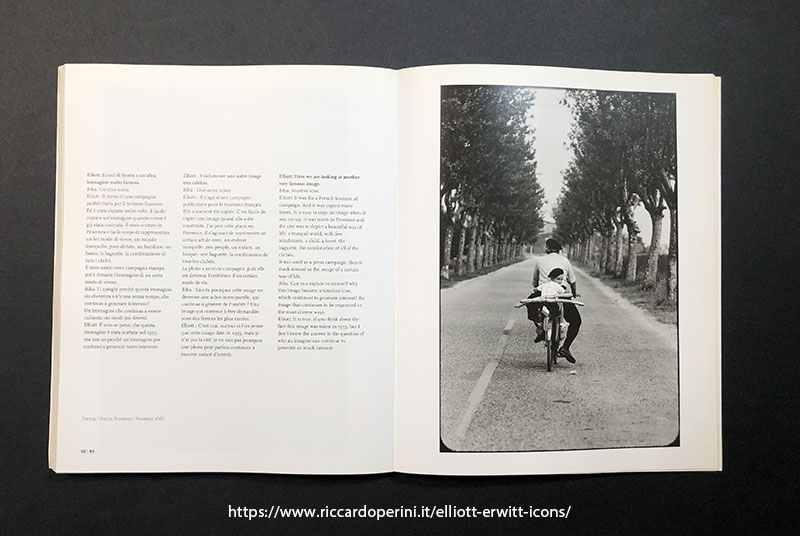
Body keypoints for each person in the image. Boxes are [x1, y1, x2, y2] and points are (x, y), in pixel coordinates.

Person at [530, 238, 582, 363]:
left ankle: (540, 326)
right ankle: (565, 348)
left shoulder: (539, 260)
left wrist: (539, 287)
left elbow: (535, 281)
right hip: (561, 295)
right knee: (576, 321)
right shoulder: (565, 261)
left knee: (531, 305)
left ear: (547, 249)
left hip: (544, 294)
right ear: (558, 250)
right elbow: (572, 281)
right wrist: (573, 293)